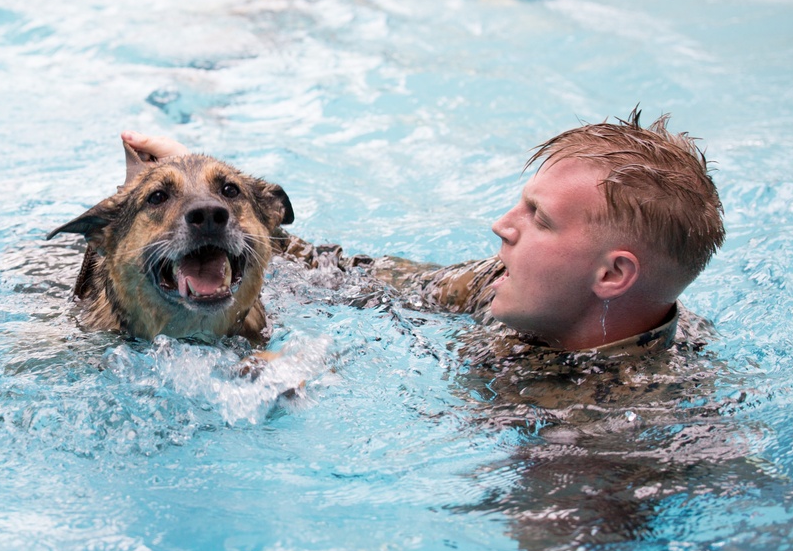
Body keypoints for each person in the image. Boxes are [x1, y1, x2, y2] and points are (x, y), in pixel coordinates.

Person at [121, 107, 725, 361]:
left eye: (537, 218)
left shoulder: (619, 433)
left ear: (613, 275)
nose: (501, 226)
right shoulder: (504, 286)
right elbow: (347, 275)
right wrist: (194, 201)